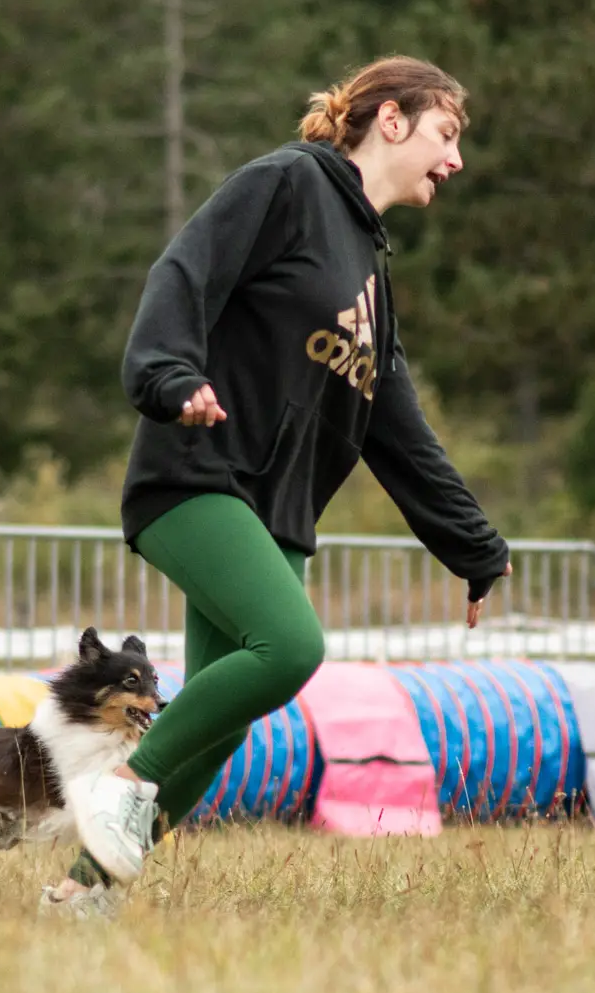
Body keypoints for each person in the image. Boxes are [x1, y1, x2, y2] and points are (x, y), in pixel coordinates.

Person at [43, 56, 514, 914]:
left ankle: (83, 895)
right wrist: (169, 376)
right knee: (292, 647)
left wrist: (475, 548)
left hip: (273, 512)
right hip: (199, 471)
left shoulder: (372, 271)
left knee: (217, 732)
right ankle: (123, 785)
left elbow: (396, 426)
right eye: (447, 135)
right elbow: (184, 270)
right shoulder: (291, 184)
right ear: (392, 121)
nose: (456, 162)